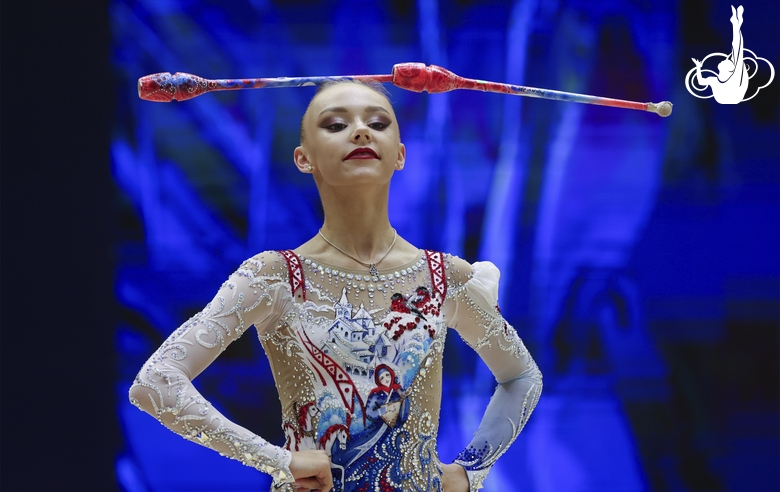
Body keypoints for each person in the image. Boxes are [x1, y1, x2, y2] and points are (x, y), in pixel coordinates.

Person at [129, 79, 543, 492]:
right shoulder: (275, 277)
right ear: (303, 158)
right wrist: (277, 460)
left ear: (399, 155)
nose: (361, 131)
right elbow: (155, 383)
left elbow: (522, 377)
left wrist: (471, 469)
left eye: (378, 123)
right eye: (335, 125)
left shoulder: (443, 278)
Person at [692, 5, 748, 104]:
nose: (726, 59)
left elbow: (737, 48)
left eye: (728, 61)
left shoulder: (734, 79)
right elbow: (701, 81)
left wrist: (736, 26)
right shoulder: (713, 80)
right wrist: (698, 67)